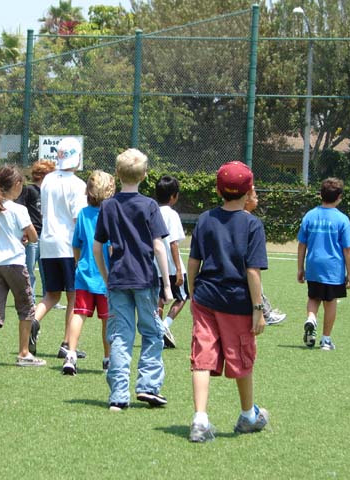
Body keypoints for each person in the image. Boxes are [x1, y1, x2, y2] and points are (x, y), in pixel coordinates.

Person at [187, 161, 269, 443]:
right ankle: (248, 416)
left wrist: (193, 292)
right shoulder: (252, 224)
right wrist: (258, 309)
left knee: (202, 356)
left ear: (218, 190)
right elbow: (252, 271)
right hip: (237, 302)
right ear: (249, 192)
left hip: (205, 298)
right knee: (242, 356)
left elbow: (194, 261)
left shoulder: (205, 219)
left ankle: (200, 419)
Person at [94, 148, 173, 411]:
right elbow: (159, 247)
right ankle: (148, 386)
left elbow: (97, 247)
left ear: (117, 173)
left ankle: (118, 395)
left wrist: (106, 276)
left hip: (118, 280)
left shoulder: (108, 206)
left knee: (120, 335)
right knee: (152, 333)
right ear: (144, 175)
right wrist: (167, 284)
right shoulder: (150, 205)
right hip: (145, 279)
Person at [29, 137, 87, 359]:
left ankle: (33, 321)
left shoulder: (48, 180)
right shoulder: (78, 185)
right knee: (74, 296)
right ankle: (66, 344)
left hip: (48, 243)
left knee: (51, 294)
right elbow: (77, 219)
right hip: (68, 245)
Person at [0, 165, 45, 368]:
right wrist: (25, 237)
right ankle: (24, 353)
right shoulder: (19, 209)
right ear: (17, 184)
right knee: (26, 308)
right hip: (15, 263)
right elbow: (33, 236)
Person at [62, 170, 116, 375]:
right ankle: (108, 359)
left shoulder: (83, 214)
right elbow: (112, 247)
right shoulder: (111, 215)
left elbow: (76, 244)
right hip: (105, 277)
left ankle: (71, 354)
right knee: (108, 319)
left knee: (79, 314)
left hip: (84, 274)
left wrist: (78, 262)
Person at [298, 177, 350, 351]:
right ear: (339, 197)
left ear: (320, 195)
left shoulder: (310, 215)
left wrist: (300, 268)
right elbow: (348, 249)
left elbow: (302, 244)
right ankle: (325, 340)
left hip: (313, 266)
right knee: (330, 301)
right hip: (333, 268)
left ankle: (311, 318)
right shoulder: (342, 219)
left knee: (313, 297)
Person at [244, 187, 286, 326]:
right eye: (255, 197)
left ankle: (267, 312)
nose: (257, 200)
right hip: (243, 267)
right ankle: (265, 314)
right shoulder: (251, 223)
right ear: (246, 199)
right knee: (255, 282)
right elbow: (253, 267)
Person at [154, 175, 187, 349]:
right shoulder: (172, 215)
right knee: (183, 297)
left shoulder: (152, 212)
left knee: (159, 298)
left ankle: (157, 332)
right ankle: (165, 325)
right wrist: (179, 269)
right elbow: (173, 243)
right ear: (174, 196)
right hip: (172, 266)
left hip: (156, 266)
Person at [15, 160, 55, 301]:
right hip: (33, 235)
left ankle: (49, 297)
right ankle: (29, 300)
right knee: (29, 269)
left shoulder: (49, 192)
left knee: (47, 270)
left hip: (47, 235)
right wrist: (25, 231)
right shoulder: (29, 190)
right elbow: (20, 209)